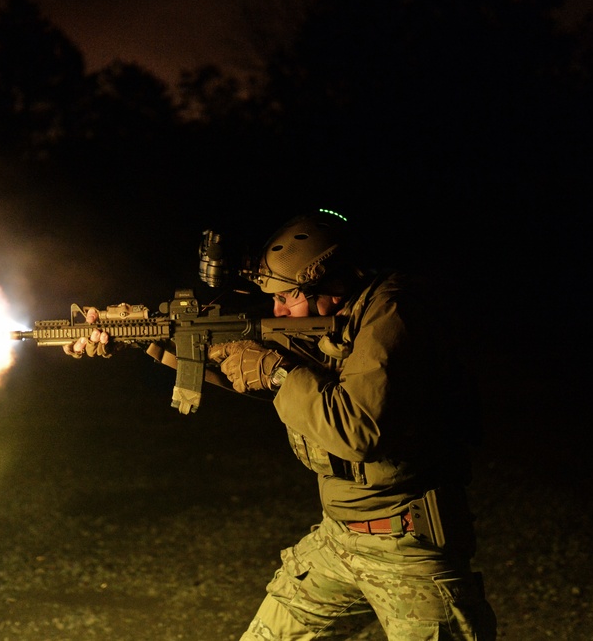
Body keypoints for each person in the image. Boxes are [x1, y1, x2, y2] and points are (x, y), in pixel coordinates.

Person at [68, 209, 498, 639]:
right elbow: (244, 365)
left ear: (330, 288)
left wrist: (276, 371)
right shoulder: (326, 317)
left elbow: (357, 429)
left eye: (286, 299)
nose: (276, 311)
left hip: (409, 545)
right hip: (340, 538)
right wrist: (143, 336)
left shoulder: (392, 318)